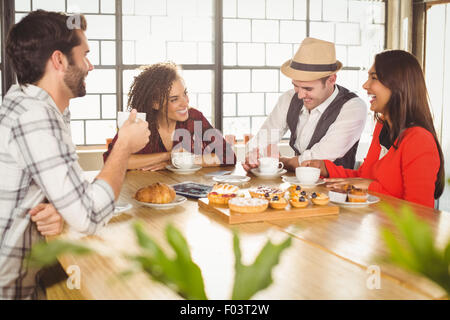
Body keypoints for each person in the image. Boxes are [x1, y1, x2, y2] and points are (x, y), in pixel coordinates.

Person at [0, 10, 150, 299]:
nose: (90, 66)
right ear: (59, 60)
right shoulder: (35, 118)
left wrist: (61, 207)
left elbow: (66, 192)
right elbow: (89, 216)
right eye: (85, 55)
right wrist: (124, 147)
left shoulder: (27, 102)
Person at [302, 50, 445, 208]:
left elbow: (419, 212)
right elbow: (364, 177)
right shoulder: (382, 125)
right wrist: (326, 168)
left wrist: (370, 187)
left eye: (374, 78)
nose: (365, 85)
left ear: (398, 85)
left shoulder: (419, 140)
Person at [243, 37, 367, 172]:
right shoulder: (289, 98)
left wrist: (283, 161)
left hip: (336, 189)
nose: (300, 95)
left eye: (308, 89)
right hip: (296, 188)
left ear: (331, 80)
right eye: (296, 86)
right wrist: (253, 155)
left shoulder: (353, 107)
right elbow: (264, 138)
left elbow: (315, 158)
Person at [103, 62, 236, 169]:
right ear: (155, 104)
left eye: (185, 93)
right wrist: (168, 156)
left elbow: (228, 156)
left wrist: (179, 162)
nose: (185, 103)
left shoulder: (195, 118)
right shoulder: (139, 123)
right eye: (174, 99)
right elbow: (113, 161)